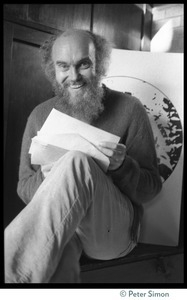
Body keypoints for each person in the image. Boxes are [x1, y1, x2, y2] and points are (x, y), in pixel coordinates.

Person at [4, 29, 162, 283]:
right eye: (63, 66)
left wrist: (122, 167)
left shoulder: (130, 109)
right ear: (52, 69)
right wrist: (47, 175)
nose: (74, 76)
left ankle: (9, 277)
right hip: (66, 233)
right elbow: (24, 188)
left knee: (76, 160)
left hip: (113, 235)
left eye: (84, 64)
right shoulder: (40, 115)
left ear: (99, 63)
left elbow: (151, 190)